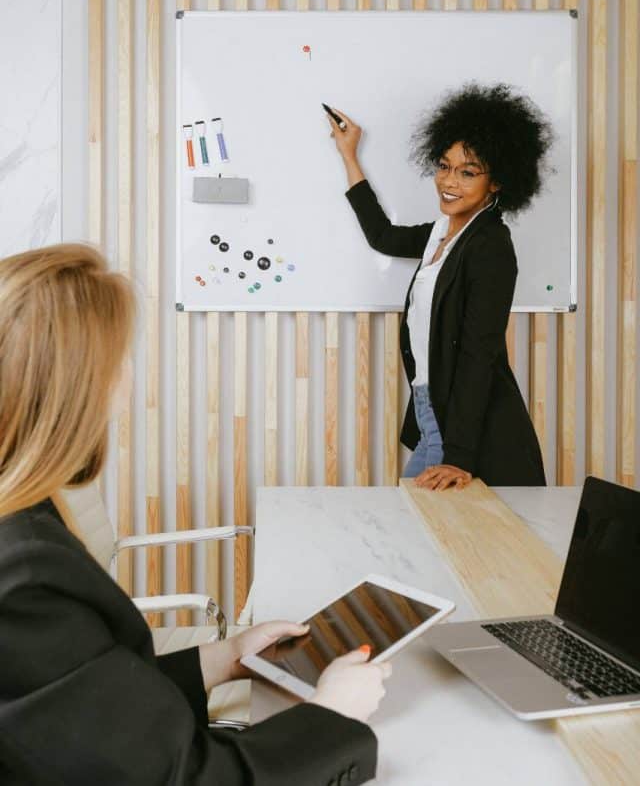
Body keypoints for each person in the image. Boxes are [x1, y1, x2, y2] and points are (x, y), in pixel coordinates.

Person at [0, 244, 389, 785]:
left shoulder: (25, 517)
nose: (128, 377)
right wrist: (332, 715)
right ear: (72, 389)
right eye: (118, 359)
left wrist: (224, 658)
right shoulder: (23, 578)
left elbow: (82, 710)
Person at [328, 83, 551, 489]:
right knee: (419, 528)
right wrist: (349, 154)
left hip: (466, 427)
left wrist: (459, 458)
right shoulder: (442, 232)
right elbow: (382, 236)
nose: (449, 181)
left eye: (468, 172)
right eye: (444, 166)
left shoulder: (490, 247)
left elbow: (477, 354)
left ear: (497, 181)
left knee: (415, 526)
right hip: (433, 412)